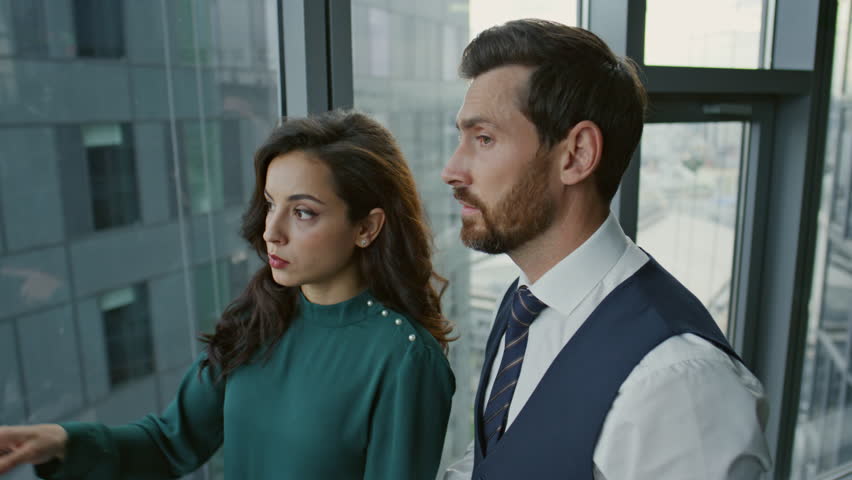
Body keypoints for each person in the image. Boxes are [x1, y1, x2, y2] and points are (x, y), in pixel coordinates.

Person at [0, 110, 455, 480]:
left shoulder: (403, 358)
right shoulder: (261, 319)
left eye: (302, 212)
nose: (270, 232)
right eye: (271, 204)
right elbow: (169, 442)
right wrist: (64, 442)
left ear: (366, 227)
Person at [441, 19, 771, 480]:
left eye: (484, 139)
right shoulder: (526, 302)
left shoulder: (681, 383)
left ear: (576, 155)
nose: (452, 169)